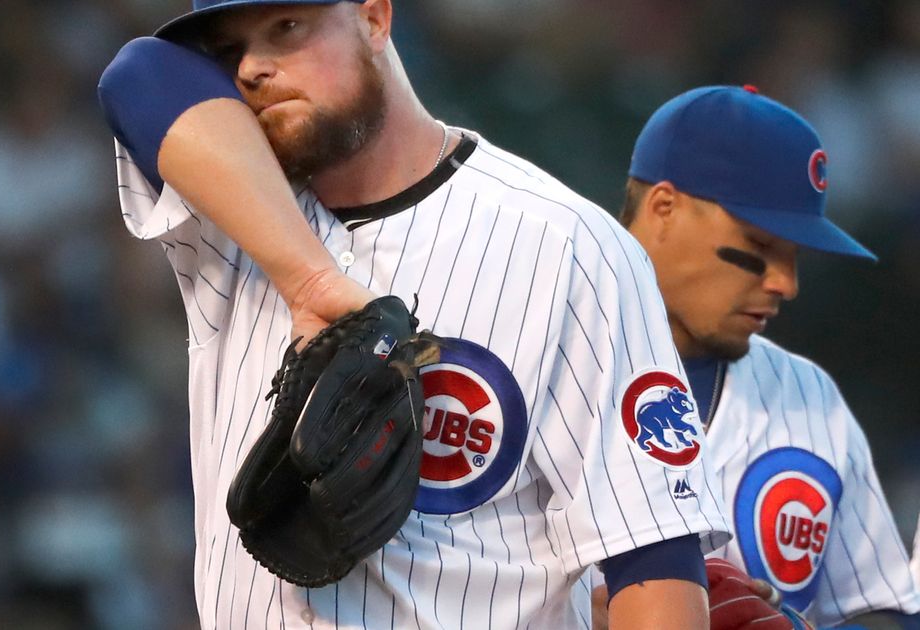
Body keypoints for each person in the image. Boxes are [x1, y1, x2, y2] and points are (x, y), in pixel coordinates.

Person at [98, 1, 732, 627]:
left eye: (286, 27)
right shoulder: (230, 218)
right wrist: (310, 281)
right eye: (230, 50)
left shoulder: (566, 245)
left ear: (375, 17)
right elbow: (138, 74)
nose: (254, 68)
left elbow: (652, 555)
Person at [611, 85, 920, 628]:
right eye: (759, 247)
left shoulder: (809, 397)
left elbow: (880, 609)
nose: (786, 283)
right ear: (664, 207)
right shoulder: (536, 351)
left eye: (794, 255)